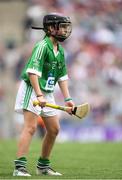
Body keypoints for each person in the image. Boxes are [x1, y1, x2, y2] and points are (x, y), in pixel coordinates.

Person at [13, 12, 74, 177]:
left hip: (46, 92)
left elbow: (62, 77)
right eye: (61, 27)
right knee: (31, 127)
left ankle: (43, 166)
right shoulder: (42, 46)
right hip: (32, 90)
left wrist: (68, 99)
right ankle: (19, 167)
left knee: (54, 129)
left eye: (65, 27)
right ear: (50, 28)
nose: (64, 30)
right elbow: (32, 73)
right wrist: (39, 95)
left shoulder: (59, 50)